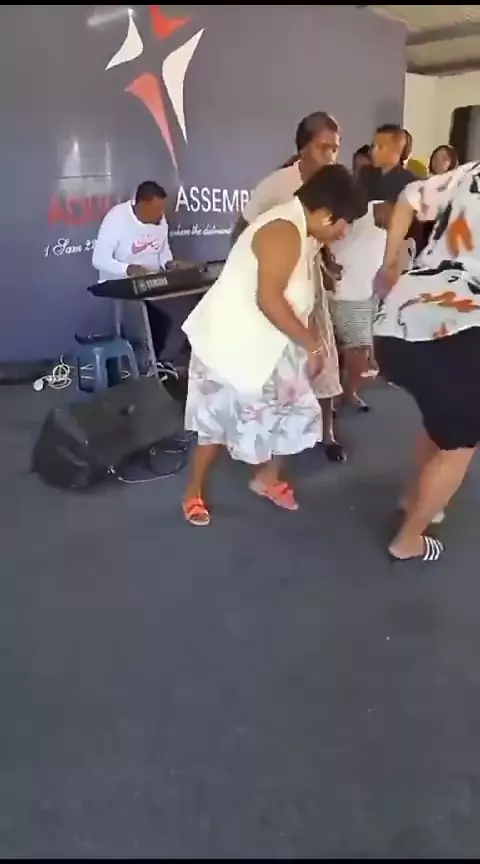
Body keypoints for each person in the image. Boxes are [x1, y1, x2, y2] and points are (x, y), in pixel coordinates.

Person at [181, 165, 362, 526]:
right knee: (215, 426)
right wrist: (313, 347)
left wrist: (307, 343)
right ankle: (193, 491)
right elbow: (269, 299)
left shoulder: (305, 232)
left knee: (294, 413)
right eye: (345, 224)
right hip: (231, 344)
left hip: (274, 343)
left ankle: (266, 478)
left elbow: (297, 298)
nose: (344, 233)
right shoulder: (282, 230)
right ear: (326, 215)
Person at [373, 161, 480, 563]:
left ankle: (414, 498)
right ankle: (408, 541)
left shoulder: (469, 173)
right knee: (458, 447)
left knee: (440, 423)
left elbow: (407, 197)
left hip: (397, 323)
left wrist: (389, 264)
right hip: (458, 328)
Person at [232, 112, 347, 463]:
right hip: (277, 283)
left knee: (324, 359)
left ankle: (326, 431)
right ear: (303, 148)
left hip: (310, 282)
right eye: (324, 147)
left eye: (335, 148)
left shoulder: (333, 187)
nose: (331, 156)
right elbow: (240, 231)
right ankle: (266, 443)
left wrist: (326, 261)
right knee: (277, 363)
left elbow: (322, 233)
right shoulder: (277, 185)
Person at [93, 181, 173, 356]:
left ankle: (154, 364)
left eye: (162, 208)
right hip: (119, 286)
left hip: (149, 285)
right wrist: (128, 269)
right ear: (141, 205)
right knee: (155, 324)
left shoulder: (160, 219)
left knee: (166, 322)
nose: (161, 213)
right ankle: (147, 366)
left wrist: (170, 264)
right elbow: (99, 259)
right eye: (156, 209)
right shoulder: (117, 218)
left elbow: (163, 251)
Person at [329, 201, 387, 410]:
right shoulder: (357, 214)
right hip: (344, 294)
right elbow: (326, 240)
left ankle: (346, 393)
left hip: (365, 295)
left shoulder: (386, 226)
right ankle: (339, 395)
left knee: (357, 350)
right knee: (353, 350)